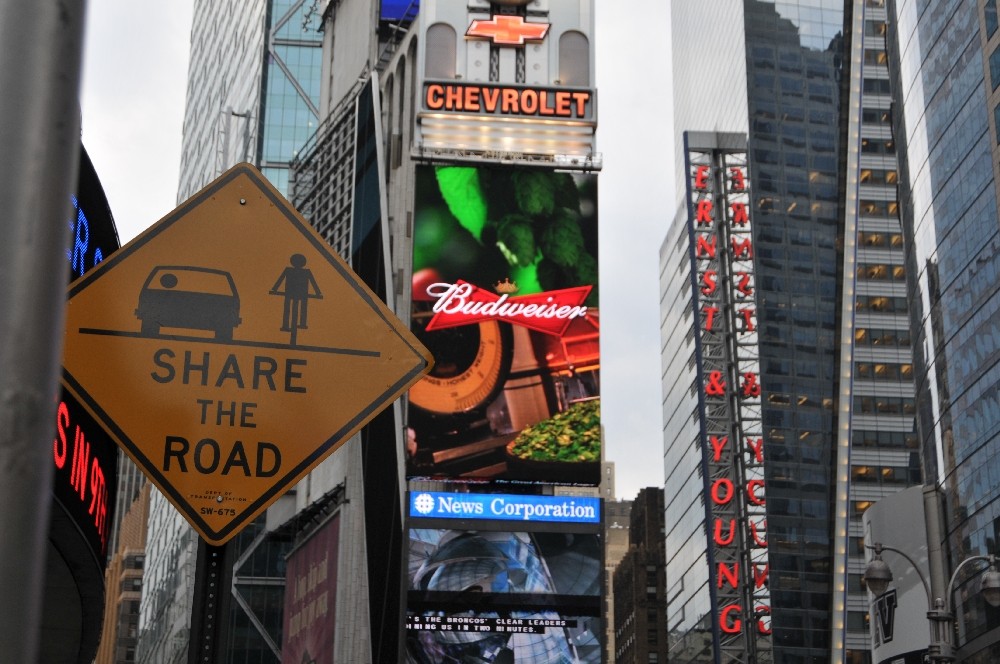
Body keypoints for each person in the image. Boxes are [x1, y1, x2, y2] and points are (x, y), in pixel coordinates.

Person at [271, 254, 322, 331]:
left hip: (299, 293)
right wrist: (274, 289)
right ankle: (288, 325)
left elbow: (313, 282)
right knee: (289, 308)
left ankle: (301, 324)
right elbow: (281, 279)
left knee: (301, 307)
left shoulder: (304, 271)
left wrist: (318, 292)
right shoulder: (290, 270)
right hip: (294, 293)